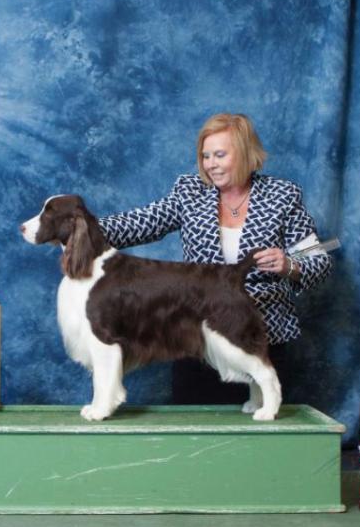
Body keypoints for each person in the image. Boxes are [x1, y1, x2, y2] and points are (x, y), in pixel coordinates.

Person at [99, 113, 332, 402]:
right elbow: (142, 222)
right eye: (205, 155)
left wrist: (290, 264)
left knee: (259, 434)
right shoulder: (189, 191)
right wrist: (82, 228)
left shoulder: (283, 195)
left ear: (246, 153)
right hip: (196, 337)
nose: (210, 164)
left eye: (219, 154)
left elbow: (318, 261)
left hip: (260, 336)